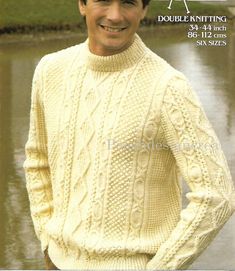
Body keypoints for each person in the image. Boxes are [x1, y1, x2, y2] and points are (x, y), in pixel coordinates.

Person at [23, 0, 235, 269]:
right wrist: (46, 239)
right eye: (103, 1)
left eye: (128, 3)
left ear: (144, 10)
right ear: (82, 4)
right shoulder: (50, 70)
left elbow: (217, 195)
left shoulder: (169, 88)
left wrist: (161, 267)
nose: (114, 16)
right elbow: (37, 162)